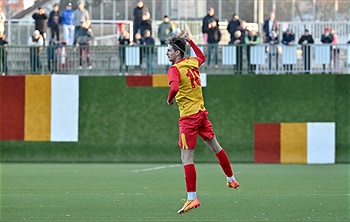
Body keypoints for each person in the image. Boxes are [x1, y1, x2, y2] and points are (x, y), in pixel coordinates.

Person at [165, 33, 240, 214]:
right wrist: (190, 41)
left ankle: (192, 198)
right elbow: (202, 57)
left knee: (186, 158)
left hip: (189, 119)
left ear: (177, 52)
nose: (167, 54)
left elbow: (174, 87)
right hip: (201, 114)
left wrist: (169, 99)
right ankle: (231, 178)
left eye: (169, 51)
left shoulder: (175, 69)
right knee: (216, 147)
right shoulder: (191, 62)